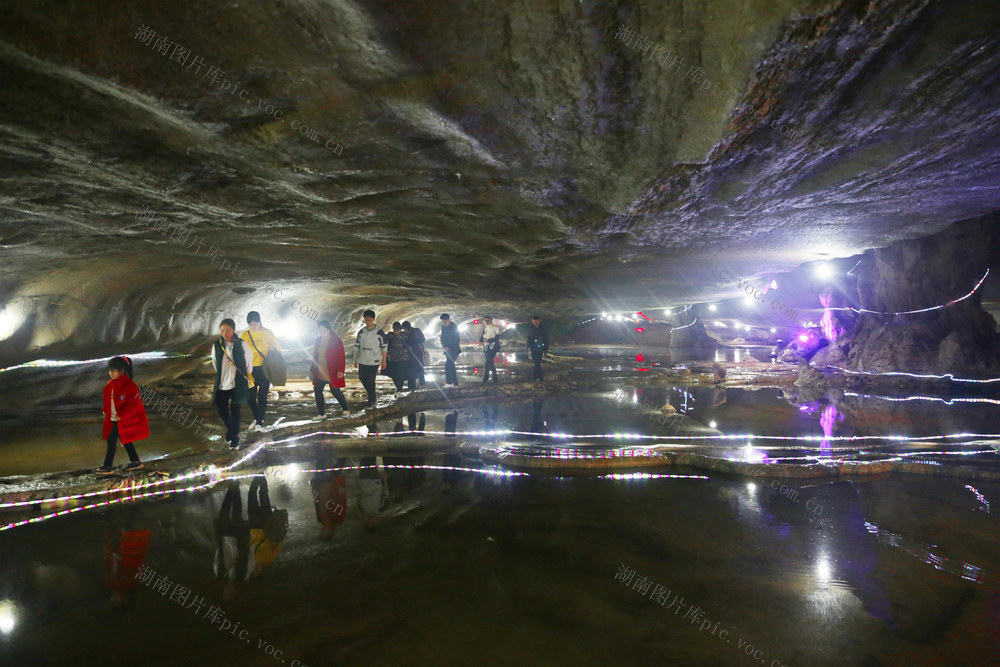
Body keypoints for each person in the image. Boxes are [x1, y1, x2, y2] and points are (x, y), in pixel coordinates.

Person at [97, 356, 149, 475]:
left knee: (111, 440)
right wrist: (105, 409)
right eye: (109, 370)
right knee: (125, 440)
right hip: (116, 417)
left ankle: (107, 466)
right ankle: (136, 461)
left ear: (122, 371)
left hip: (123, 419)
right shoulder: (111, 384)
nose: (110, 373)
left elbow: (135, 403)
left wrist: (122, 415)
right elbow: (108, 399)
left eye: (113, 370)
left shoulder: (130, 385)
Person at [214, 318, 254, 451]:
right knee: (222, 408)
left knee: (235, 409)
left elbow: (249, 360)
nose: (225, 333)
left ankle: (234, 439)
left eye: (228, 330)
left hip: (237, 381)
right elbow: (215, 362)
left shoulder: (241, 344)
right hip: (223, 382)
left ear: (234, 330)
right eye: (223, 331)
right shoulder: (217, 345)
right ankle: (231, 430)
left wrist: (244, 374)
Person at [241, 311, 281, 432]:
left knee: (262, 396)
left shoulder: (268, 333)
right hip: (250, 370)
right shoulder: (245, 335)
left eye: (256, 324)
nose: (254, 327)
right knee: (250, 397)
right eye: (251, 324)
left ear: (260, 322)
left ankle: (259, 422)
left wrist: (273, 351)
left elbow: (279, 349)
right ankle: (257, 417)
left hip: (264, 369)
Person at [213, 481, 253, 601]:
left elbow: (218, 556)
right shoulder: (243, 574)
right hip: (238, 538)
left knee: (225, 510)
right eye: (231, 594)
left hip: (225, 538)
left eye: (226, 593)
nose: (228, 591)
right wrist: (248, 541)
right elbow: (250, 555)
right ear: (236, 592)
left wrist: (220, 540)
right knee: (237, 511)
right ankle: (234, 485)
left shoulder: (220, 575)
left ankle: (232, 487)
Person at [310, 320, 349, 419]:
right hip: (320, 370)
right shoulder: (318, 340)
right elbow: (315, 354)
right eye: (320, 329)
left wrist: (341, 370)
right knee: (317, 390)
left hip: (332, 370)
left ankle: (346, 409)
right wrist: (312, 368)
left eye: (323, 329)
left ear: (329, 328)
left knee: (335, 391)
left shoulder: (336, 340)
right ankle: (321, 413)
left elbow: (341, 356)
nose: (322, 331)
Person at [247, 476, 284, 575]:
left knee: (251, 496)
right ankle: (261, 475)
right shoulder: (269, 560)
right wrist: (275, 533)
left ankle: (256, 477)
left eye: (253, 571)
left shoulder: (249, 561)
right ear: (261, 571)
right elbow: (279, 544)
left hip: (253, 525)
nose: (256, 569)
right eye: (257, 572)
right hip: (266, 524)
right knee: (263, 495)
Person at [354, 309, 387, 407]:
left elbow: (384, 347)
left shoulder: (379, 332)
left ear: (373, 319)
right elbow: (357, 346)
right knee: (362, 378)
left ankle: (372, 400)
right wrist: (355, 359)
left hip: (374, 360)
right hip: (363, 359)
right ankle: (373, 395)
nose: (367, 322)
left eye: (369, 320)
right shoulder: (361, 332)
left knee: (370, 380)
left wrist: (384, 361)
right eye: (366, 320)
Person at [310, 458, 348, 540]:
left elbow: (318, 503)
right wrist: (340, 486)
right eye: (324, 532)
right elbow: (342, 501)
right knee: (338, 460)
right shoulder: (337, 520)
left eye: (322, 532)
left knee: (321, 458)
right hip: (332, 482)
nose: (322, 530)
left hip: (322, 482)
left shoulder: (321, 520)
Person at [385, 322, 411, 392]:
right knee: (394, 375)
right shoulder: (389, 336)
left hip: (402, 359)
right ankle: (398, 387)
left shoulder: (404, 335)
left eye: (398, 329)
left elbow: (410, 342)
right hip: (393, 359)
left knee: (401, 374)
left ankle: (399, 388)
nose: (396, 331)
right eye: (395, 329)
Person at [525, 315, 550, 381]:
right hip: (533, 347)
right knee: (536, 362)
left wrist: (546, 350)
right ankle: (538, 377)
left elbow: (546, 339)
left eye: (536, 321)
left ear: (539, 321)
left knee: (537, 362)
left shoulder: (543, 328)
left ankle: (536, 377)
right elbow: (529, 338)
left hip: (540, 347)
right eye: (534, 322)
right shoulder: (531, 328)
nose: (535, 323)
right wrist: (528, 347)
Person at [401, 321, 426, 389]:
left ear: (405, 328)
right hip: (419, 353)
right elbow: (423, 339)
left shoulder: (407, 333)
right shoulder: (417, 330)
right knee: (420, 369)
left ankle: (412, 386)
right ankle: (422, 384)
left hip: (411, 354)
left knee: (412, 370)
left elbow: (405, 343)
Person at [439, 313, 461, 387]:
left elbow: (455, 339)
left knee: (448, 365)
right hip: (447, 349)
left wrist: (449, 347)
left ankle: (449, 382)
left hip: (454, 349)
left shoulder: (453, 327)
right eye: (442, 321)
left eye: (444, 321)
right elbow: (442, 337)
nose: (443, 323)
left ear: (448, 320)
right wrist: (444, 346)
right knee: (451, 365)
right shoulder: (443, 327)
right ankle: (455, 383)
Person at [479, 316, 502, 385]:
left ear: (491, 320)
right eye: (485, 320)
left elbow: (497, 337)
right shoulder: (485, 328)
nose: (486, 321)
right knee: (490, 363)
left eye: (488, 320)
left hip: (493, 348)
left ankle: (485, 380)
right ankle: (495, 379)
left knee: (488, 363)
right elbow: (482, 337)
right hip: (486, 348)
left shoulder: (494, 328)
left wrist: (488, 340)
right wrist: (482, 340)